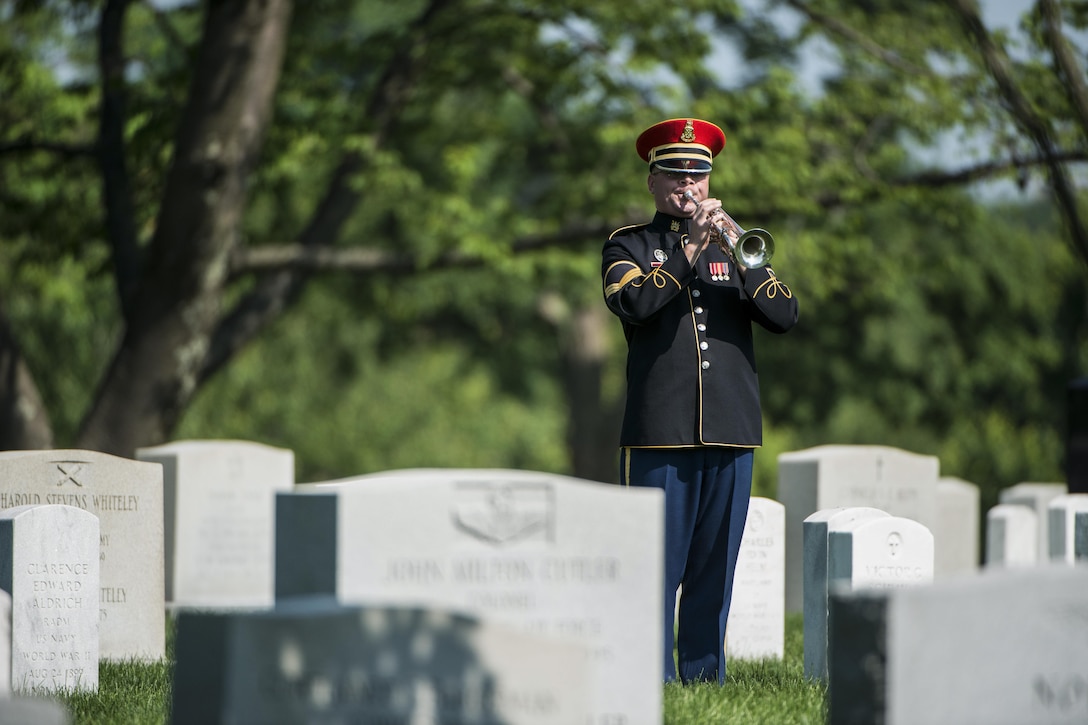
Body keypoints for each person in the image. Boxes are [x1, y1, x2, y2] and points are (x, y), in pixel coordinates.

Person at [601, 118, 798, 684]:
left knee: (716, 570)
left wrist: (744, 257)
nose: (690, 186)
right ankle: (646, 680)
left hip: (732, 431)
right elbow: (635, 304)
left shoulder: (736, 250)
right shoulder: (630, 245)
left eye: (699, 175)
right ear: (653, 181)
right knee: (654, 568)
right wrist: (688, 250)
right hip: (659, 433)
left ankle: (703, 681)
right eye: (677, 175)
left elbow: (785, 315)